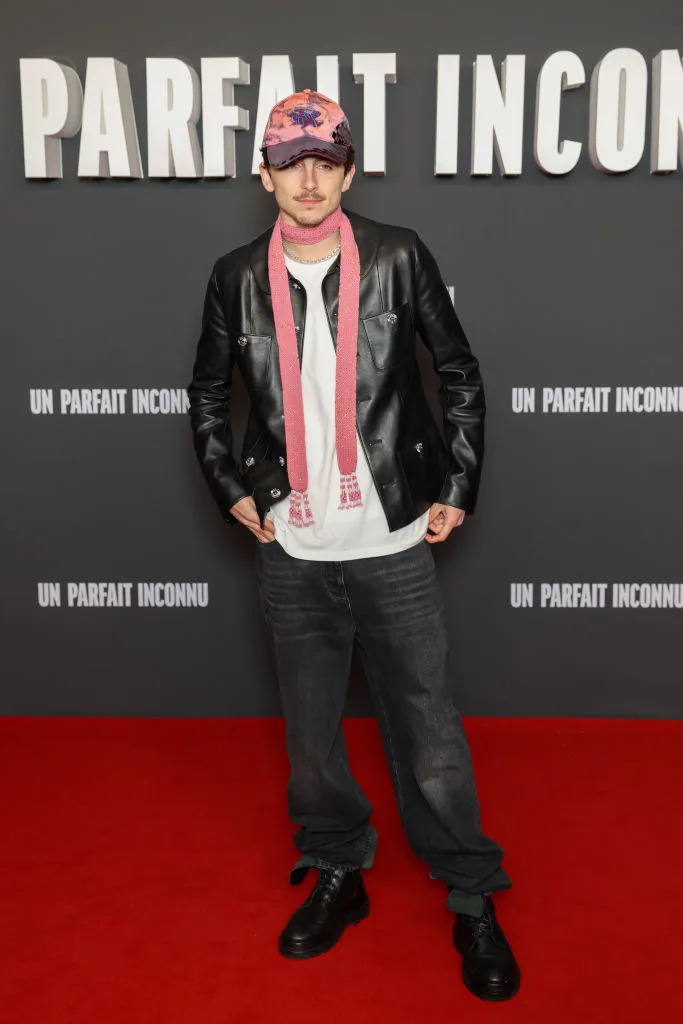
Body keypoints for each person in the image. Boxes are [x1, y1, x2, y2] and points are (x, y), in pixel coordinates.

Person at [187, 88, 520, 1002]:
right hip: (291, 547)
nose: (307, 178)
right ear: (263, 174)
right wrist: (233, 491)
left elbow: (456, 371)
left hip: (391, 538)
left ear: (347, 169)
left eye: (324, 161)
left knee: (429, 732)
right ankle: (339, 870)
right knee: (310, 737)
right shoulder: (233, 277)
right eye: (289, 162)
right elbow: (209, 396)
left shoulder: (398, 255)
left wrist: (454, 484)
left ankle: (469, 893)